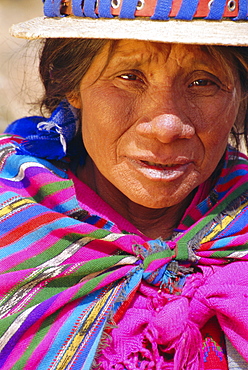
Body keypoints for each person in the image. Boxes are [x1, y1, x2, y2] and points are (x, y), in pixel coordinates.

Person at [0, 0, 248, 369]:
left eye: (202, 82)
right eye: (129, 77)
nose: (166, 128)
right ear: (69, 86)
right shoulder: (12, 221)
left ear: (240, 98)